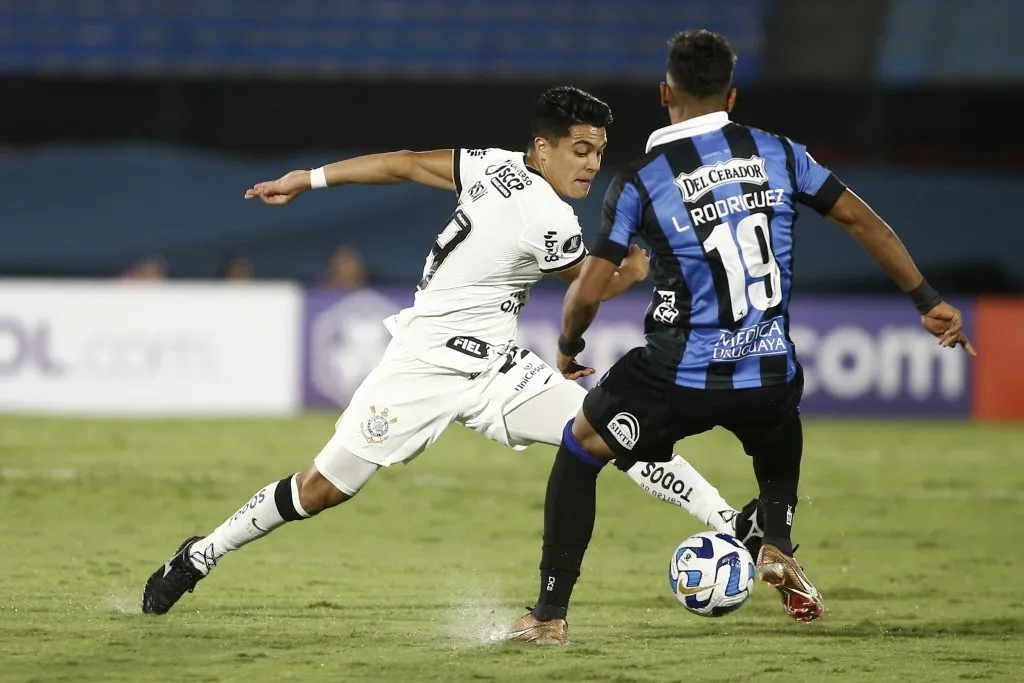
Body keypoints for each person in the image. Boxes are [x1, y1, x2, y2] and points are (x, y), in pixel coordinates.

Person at [141, 86, 761, 616]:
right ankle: (201, 554)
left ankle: (733, 525)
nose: (592, 164)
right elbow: (589, 289)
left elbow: (406, 164)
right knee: (320, 490)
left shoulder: (494, 164)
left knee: (610, 430)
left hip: (497, 368)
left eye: (598, 152)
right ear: (543, 147)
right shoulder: (546, 216)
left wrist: (309, 178)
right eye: (580, 150)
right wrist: (638, 267)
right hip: (423, 367)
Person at [507, 32, 975, 644]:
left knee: (581, 447)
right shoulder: (779, 153)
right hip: (770, 371)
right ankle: (775, 538)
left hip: (680, 375)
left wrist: (569, 346)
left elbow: (587, 292)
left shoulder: (644, 180)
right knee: (777, 430)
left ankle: (548, 616)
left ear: (665, 93)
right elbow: (864, 222)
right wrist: (927, 300)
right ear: (730, 96)